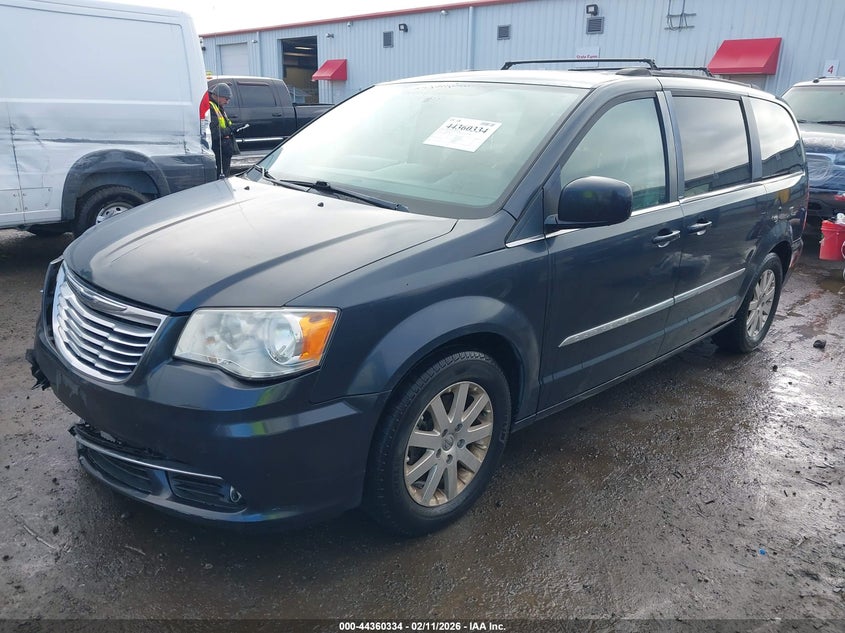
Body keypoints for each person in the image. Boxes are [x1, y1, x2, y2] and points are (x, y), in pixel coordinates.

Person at [208, 83, 236, 178]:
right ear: (218, 95)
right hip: (219, 151)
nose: (227, 102)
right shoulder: (211, 107)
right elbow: (215, 133)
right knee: (221, 178)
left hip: (223, 149)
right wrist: (230, 129)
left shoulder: (217, 105)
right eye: (226, 99)